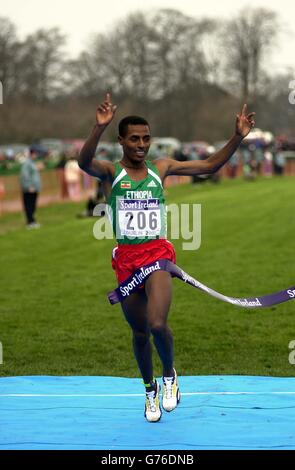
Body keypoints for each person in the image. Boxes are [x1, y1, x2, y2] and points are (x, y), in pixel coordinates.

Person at [78, 93, 255, 423]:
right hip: (127, 261)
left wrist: (237, 137)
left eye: (146, 138)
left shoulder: (161, 168)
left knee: (158, 324)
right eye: (134, 139)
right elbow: (83, 162)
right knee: (140, 333)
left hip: (158, 255)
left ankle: (170, 375)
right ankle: (149, 388)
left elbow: (210, 165)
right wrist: (96, 128)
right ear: (121, 141)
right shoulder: (109, 172)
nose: (141, 144)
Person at [20, 149, 41, 229]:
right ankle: (30, 222)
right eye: (35, 154)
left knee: (33, 206)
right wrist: (29, 186)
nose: (36, 155)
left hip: (35, 188)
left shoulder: (32, 163)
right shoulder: (27, 163)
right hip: (29, 189)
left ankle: (33, 221)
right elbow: (24, 176)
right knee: (28, 205)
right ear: (32, 154)